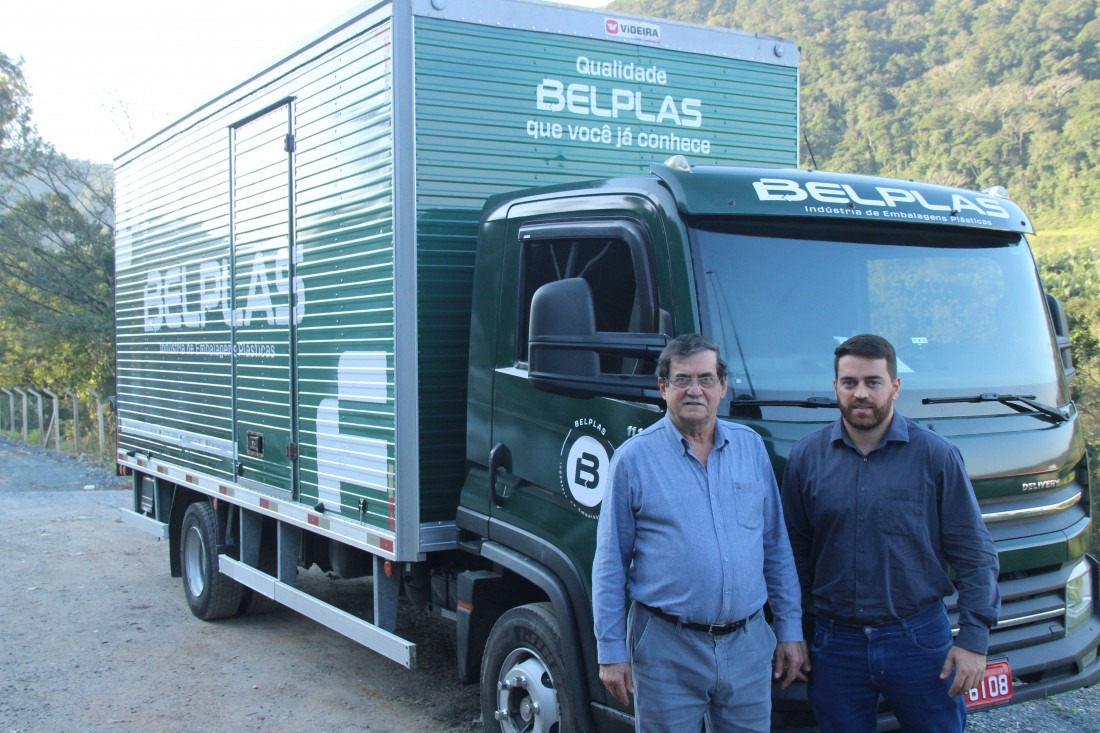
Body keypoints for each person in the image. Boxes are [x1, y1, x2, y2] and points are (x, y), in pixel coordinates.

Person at [780, 334, 1000, 732]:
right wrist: (791, 631)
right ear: (835, 387)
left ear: (895, 386)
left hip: (918, 641)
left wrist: (973, 639)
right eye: (849, 383)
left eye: (873, 382)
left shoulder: (936, 456)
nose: (860, 393)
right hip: (834, 645)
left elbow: (974, 553)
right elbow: (792, 554)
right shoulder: (806, 458)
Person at [592, 333, 807, 732]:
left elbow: (776, 547)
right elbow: (609, 564)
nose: (695, 390)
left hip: (747, 645)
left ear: (722, 387)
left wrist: (790, 630)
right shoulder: (633, 460)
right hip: (667, 648)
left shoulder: (751, 449)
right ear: (663, 387)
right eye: (682, 379)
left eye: (706, 379)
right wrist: (610, 653)